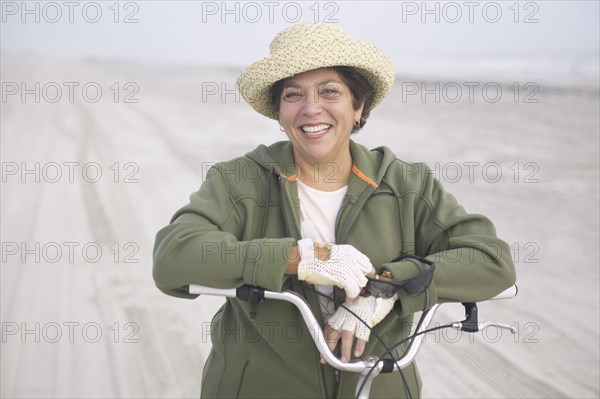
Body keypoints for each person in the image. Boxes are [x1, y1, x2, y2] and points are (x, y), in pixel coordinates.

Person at [153, 23, 516, 398]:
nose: (311, 109)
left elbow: (492, 260)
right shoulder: (237, 180)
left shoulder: (407, 185)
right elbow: (173, 258)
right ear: (279, 113)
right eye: (293, 95)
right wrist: (302, 258)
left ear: (359, 106)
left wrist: (388, 287)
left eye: (330, 91)